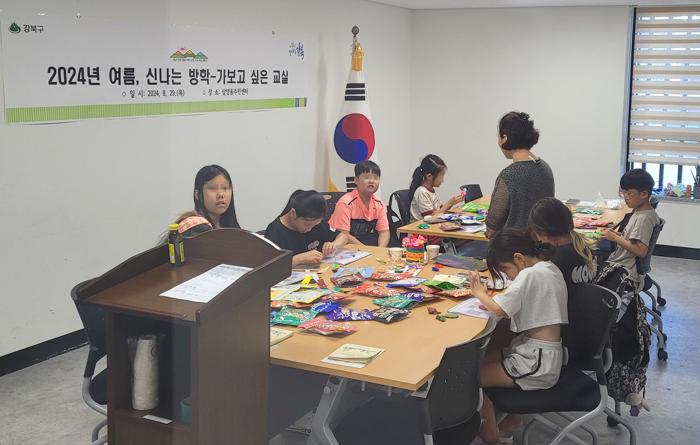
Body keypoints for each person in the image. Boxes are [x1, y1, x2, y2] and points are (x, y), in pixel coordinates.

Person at [467, 229, 568, 444]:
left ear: (519, 258)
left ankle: (491, 436)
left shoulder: (529, 274)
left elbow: (499, 310)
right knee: (478, 362)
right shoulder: (547, 267)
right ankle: (513, 420)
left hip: (537, 362)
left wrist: (479, 292)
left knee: (472, 378)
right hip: (539, 352)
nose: (508, 276)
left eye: (505, 269)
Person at [486, 112, 555, 238]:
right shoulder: (545, 167)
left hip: (514, 244)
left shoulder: (508, 175)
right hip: (543, 242)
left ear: (504, 138)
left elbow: (492, 226)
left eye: (498, 136)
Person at [601, 168, 661, 290]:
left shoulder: (643, 219)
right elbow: (633, 239)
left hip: (625, 271)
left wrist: (615, 238)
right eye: (623, 193)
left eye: (629, 194)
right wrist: (617, 235)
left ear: (643, 194)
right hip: (623, 264)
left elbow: (641, 251)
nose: (625, 197)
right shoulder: (640, 211)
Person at [529, 197, 597, 294]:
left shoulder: (556, 260)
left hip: (567, 304)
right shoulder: (583, 244)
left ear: (543, 233)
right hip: (587, 302)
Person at [265, 190, 349, 265]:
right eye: (307, 225)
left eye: (315, 225)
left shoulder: (316, 222)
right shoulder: (275, 231)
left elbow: (343, 236)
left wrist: (334, 245)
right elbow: (269, 265)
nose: (310, 229)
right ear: (293, 213)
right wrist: (298, 259)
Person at [328, 160, 390, 247]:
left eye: (375, 178)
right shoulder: (346, 203)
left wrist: (380, 250)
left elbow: (384, 232)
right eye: (366, 177)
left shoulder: (379, 204)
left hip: (363, 241)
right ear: (356, 180)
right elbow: (343, 235)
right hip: (343, 244)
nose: (371, 181)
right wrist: (367, 250)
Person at [175, 164, 241, 238]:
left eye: (225, 188)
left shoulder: (231, 226)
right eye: (212, 188)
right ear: (198, 195)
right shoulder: (192, 226)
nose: (221, 194)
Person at [408, 154, 463, 221]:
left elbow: (440, 210)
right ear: (429, 176)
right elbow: (430, 217)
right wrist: (449, 203)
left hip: (431, 224)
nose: (442, 180)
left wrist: (453, 203)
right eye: (441, 176)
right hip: (420, 226)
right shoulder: (422, 192)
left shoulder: (430, 190)